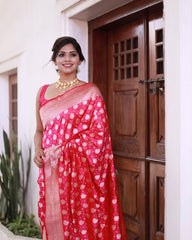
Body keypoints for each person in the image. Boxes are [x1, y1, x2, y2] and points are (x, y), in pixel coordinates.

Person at [34, 36, 127, 240]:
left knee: (80, 218)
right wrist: (37, 149)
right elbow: (40, 130)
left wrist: (64, 150)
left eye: (72, 54)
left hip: (80, 174)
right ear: (54, 60)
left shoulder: (90, 92)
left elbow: (99, 136)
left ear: (80, 60)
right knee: (53, 219)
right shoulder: (42, 92)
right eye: (62, 54)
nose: (67, 59)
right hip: (50, 169)